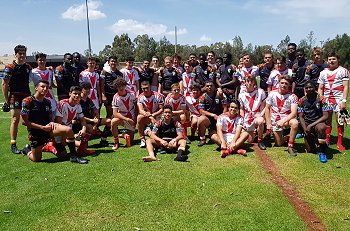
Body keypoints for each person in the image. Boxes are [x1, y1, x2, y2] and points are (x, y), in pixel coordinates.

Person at [21, 80, 88, 164]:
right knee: (36, 159)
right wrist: (42, 127)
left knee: (68, 131)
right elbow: (24, 122)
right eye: (42, 87)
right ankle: (27, 150)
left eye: (47, 87)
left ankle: (73, 156)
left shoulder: (47, 102)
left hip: (49, 129)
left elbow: (50, 117)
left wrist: (51, 123)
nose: (45, 89)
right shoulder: (27, 101)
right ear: (36, 88)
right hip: (36, 132)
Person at [2, 45, 32, 154]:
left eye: (24, 53)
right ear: (16, 54)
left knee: (29, 120)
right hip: (15, 95)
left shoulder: (28, 67)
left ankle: (33, 142)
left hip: (27, 95)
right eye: (20, 53)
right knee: (15, 120)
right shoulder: (10, 67)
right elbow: (4, 84)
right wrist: (6, 100)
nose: (22, 55)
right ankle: (13, 144)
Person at [318, 51, 349, 151]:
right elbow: (320, 88)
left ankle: (339, 142)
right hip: (327, 100)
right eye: (330, 59)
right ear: (327, 60)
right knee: (327, 120)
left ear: (338, 60)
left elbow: (345, 87)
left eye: (333, 59)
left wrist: (344, 100)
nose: (331, 61)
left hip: (339, 100)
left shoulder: (343, 71)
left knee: (340, 121)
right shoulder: (323, 72)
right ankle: (327, 140)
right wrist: (321, 97)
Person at [29, 53, 57, 154]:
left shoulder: (50, 70)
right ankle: (42, 142)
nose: (42, 62)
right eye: (40, 60)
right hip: (40, 99)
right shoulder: (33, 71)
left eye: (43, 60)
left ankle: (51, 141)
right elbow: (27, 82)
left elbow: (52, 84)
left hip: (51, 99)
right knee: (42, 119)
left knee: (53, 119)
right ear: (37, 61)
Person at [56, 86, 94, 156]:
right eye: (75, 93)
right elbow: (59, 123)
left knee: (89, 127)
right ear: (70, 94)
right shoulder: (62, 104)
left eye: (79, 94)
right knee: (62, 155)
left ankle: (81, 150)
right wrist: (67, 135)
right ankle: (49, 146)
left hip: (69, 129)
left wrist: (83, 129)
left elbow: (82, 120)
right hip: (59, 130)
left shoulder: (78, 105)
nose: (77, 96)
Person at [265, 75, 299, 156]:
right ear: (279, 83)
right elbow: (267, 108)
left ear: (289, 85)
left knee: (295, 123)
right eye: (282, 83)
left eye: (286, 83)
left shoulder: (293, 96)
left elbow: (294, 113)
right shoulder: (272, 93)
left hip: (286, 120)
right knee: (279, 143)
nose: (283, 85)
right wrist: (268, 123)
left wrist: (283, 121)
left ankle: (290, 146)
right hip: (275, 121)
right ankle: (288, 137)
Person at [298, 81, 330, 163]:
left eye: (311, 87)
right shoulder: (301, 100)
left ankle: (322, 151)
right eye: (307, 88)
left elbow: (325, 116)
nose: (309, 89)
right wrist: (305, 129)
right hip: (307, 124)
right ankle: (320, 141)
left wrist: (311, 125)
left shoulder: (322, 99)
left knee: (322, 128)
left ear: (315, 87)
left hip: (318, 123)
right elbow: (301, 117)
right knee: (310, 150)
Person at [77, 82, 111, 147]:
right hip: (82, 122)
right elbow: (79, 117)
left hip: (92, 120)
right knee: (89, 127)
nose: (88, 90)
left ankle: (103, 141)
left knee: (109, 121)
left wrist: (95, 124)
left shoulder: (89, 100)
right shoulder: (78, 100)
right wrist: (92, 121)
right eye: (86, 89)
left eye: (89, 89)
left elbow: (96, 112)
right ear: (81, 90)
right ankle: (80, 141)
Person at [239, 74, 267, 150]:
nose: (249, 83)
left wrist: (261, 115)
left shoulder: (260, 92)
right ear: (244, 83)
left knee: (260, 121)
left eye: (251, 81)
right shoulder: (241, 94)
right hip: (247, 118)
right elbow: (241, 109)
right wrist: (242, 121)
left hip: (257, 115)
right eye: (247, 81)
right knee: (249, 141)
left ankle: (260, 140)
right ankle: (255, 132)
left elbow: (266, 106)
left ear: (254, 82)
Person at [197, 80, 228, 146]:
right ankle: (202, 139)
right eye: (207, 86)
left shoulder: (220, 94)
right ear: (205, 87)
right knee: (201, 119)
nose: (209, 87)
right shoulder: (202, 97)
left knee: (215, 136)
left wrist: (222, 117)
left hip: (220, 118)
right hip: (209, 119)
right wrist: (212, 115)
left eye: (211, 86)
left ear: (214, 87)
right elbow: (201, 111)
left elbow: (225, 107)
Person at [110, 77, 137, 150]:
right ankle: (116, 142)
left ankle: (124, 134)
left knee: (131, 141)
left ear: (125, 85)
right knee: (113, 121)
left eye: (122, 86)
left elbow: (136, 106)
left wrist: (135, 119)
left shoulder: (132, 94)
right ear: (116, 87)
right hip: (123, 118)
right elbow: (115, 113)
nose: (121, 88)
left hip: (131, 118)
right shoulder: (116, 97)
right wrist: (127, 119)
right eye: (119, 86)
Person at [137, 81, 164, 148]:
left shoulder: (158, 95)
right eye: (143, 88)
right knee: (139, 117)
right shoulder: (140, 97)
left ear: (150, 87)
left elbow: (161, 109)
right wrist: (149, 116)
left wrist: (153, 115)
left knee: (156, 134)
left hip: (157, 116)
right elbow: (140, 110)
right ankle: (142, 139)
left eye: (147, 88)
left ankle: (148, 131)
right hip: (148, 117)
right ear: (141, 88)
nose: (145, 90)